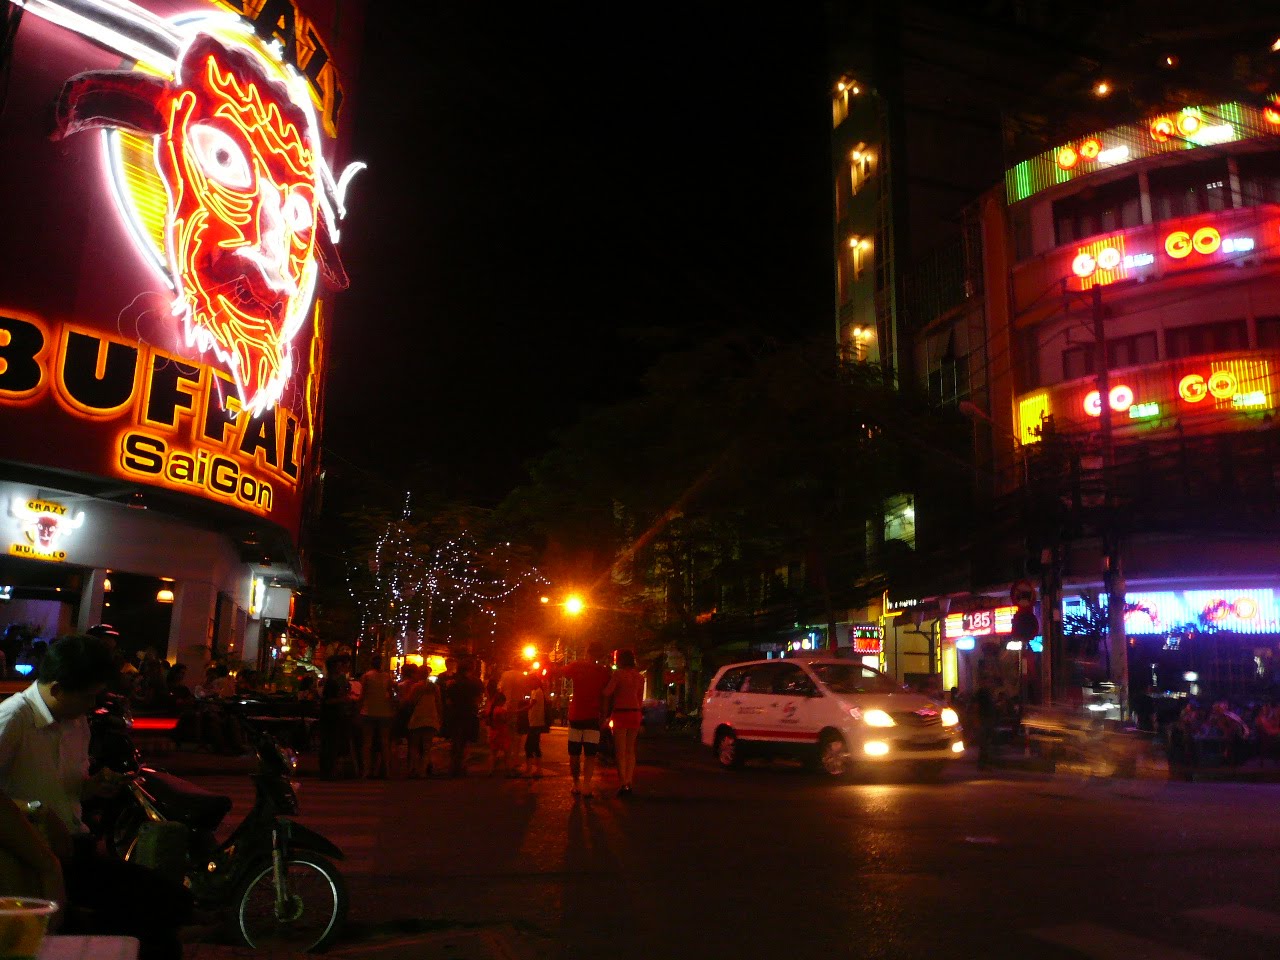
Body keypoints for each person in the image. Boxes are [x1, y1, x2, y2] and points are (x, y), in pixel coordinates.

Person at [0, 634, 191, 959]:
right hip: (33, 859)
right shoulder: (13, 718)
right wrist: (36, 811)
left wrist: (95, 785)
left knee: (171, 906)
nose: (92, 705)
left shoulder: (77, 722)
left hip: (76, 847)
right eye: (88, 696)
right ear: (57, 689)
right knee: (154, 925)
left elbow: (71, 786)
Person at [549, 642, 611, 797]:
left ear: (587, 652)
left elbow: (557, 672)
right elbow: (605, 696)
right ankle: (587, 784)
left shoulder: (577, 666)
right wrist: (604, 716)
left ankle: (576, 783)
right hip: (593, 717)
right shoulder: (603, 672)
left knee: (574, 753)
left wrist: (550, 662)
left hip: (576, 715)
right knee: (590, 754)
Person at [603, 649, 645, 797]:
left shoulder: (618, 675)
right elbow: (639, 698)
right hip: (635, 713)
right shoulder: (639, 677)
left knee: (620, 750)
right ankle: (629, 780)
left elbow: (607, 692)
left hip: (620, 713)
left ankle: (623, 783)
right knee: (630, 750)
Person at [445, 659, 483, 777]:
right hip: (470, 714)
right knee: (467, 741)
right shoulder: (475, 683)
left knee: (455, 740)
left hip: (455, 714)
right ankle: (462, 765)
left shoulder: (452, 683)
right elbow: (479, 699)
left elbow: (448, 701)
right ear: (471, 669)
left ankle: (453, 766)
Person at [319, 655, 356, 779]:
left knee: (333, 743)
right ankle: (329, 770)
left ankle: (330, 770)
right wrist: (342, 699)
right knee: (331, 743)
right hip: (331, 716)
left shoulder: (336, 680)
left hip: (335, 715)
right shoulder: (331, 682)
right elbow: (327, 700)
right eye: (339, 665)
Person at [358, 660, 396, 778]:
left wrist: (358, 708)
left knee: (367, 742)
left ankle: (366, 770)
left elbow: (362, 694)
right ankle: (387, 770)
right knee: (385, 742)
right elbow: (391, 693)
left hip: (368, 711)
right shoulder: (387, 677)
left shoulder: (366, 676)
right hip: (384, 712)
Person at [407, 670, 443, 778]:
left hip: (418, 717)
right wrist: (440, 717)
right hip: (431, 717)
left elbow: (410, 701)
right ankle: (422, 771)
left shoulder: (416, 687)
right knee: (427, 747)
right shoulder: (434, 688)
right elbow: (439, 703)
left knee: (414, 746)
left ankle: (414, 769)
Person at [496, 658, 528, 777]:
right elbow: (526, 690)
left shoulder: (505, 675)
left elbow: (500, 688)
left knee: (506, 734)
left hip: (505, 707)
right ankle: (514, 761)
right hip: (517, 707)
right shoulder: (522, 676)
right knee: (516, 736)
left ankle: (506, 760)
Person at [524, 675, 549, 777]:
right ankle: (537, 770)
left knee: (529, 746)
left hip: (536, 723)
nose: (528, 684)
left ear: (535, 681)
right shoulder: (534, 691)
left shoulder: (538, 691)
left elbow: (531, 705)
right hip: (534, 723)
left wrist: (517, 710)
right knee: (535, 746)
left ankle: (530, 770)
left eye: (530, 681)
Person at [486, 692, 511, 776]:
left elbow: (488, 722)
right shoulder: (501, 711)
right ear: (501, 701)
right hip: (502, 733)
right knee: (507, 753)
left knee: (493, 754)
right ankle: (508, 771)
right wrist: (508, 715)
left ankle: (490, 771)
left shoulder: (490, 710)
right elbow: (504, 721)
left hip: (493, 733)